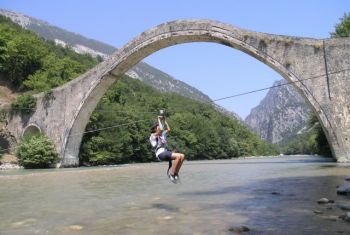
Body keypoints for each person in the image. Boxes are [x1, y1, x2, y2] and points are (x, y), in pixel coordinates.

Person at [149, 111, 185, 183]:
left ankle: (175, 174)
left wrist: (164, 121)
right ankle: (171, 174)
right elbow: (161, 129)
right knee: (178, 156)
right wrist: (159, 119)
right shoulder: (152, 136)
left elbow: (168, 129)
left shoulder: (162, 135)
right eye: (157, 126)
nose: (159, 127)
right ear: (155, 129)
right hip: (160, 153)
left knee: (182, 156)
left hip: (165, 152)